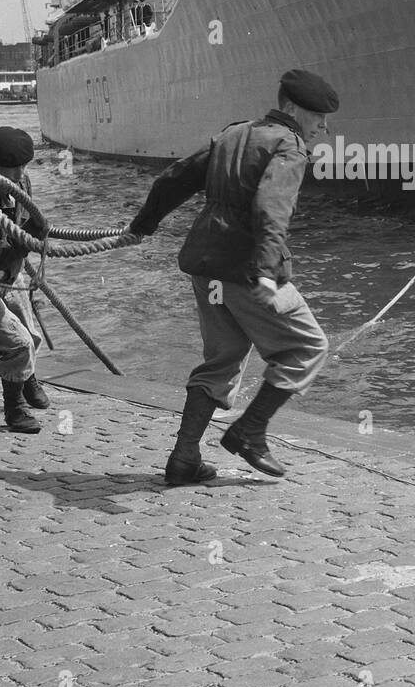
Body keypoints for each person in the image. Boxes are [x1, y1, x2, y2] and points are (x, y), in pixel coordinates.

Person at [127, 69, 338, 486]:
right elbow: (271, 208)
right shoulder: (290, 147)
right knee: (308, 347)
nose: (323, 128)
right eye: (318, 118)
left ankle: (184, 457)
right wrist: (264, 270)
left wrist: (144, 225)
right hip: (246, 269)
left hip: (206, 266)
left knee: (221, 360)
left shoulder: (233, 134)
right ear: (294, 109)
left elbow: (174, 179)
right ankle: (249, 431)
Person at [0, 127, 49, 435]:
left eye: (25, 166)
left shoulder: (20, 182)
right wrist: (25, 241)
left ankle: (27, 379)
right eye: (14, 167)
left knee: (31, 337)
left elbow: (26, 220)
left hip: (12, 272)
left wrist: (38, 229)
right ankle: (14, 410)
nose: (20, 173)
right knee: (18, 344)